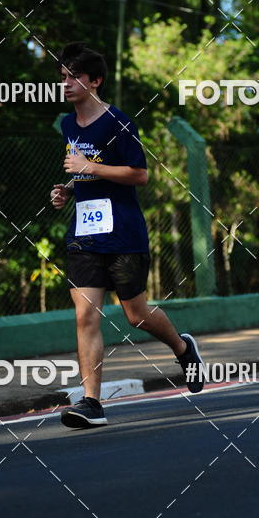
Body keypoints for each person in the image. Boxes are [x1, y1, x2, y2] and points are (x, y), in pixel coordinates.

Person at [50, 42, 205, 429]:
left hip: (122, 231)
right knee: (86, 315)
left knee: (136, 315)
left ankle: (183, 348)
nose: (66, 84)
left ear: (95, 81)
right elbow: (85, 170)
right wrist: (68, 188)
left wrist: (90, 167)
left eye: (74, 77)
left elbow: (139, 175)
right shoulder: (69, 124)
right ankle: (91, 402)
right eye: (62, 77)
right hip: (84, 230)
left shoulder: (118, 122)